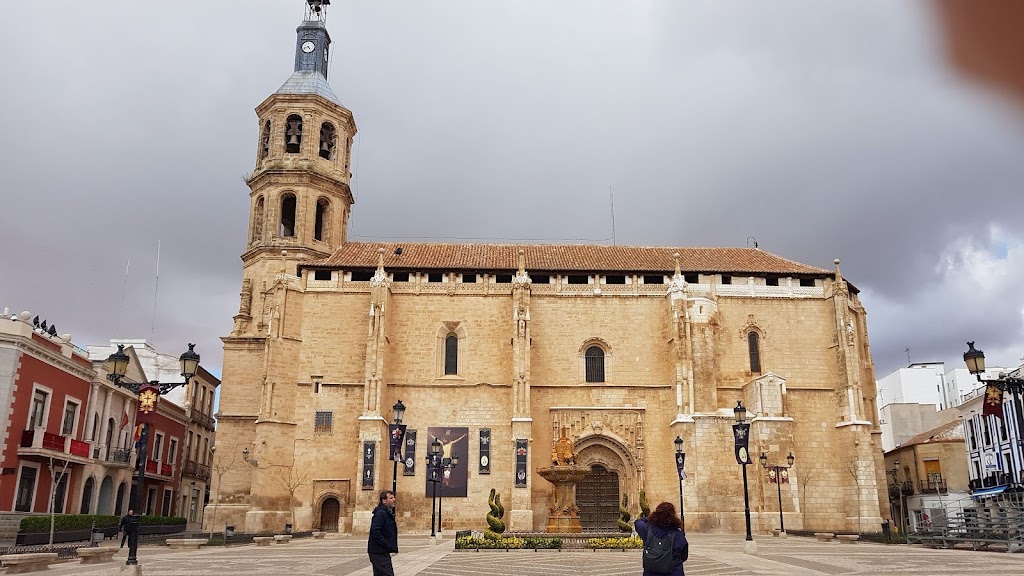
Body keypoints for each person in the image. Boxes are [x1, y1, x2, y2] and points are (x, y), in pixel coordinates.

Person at [634, 502, 689, 576]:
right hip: (673, 572)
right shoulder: (678, 535)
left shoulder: (647, 530)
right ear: (673, 516)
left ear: (657, 514)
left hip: (651, 572)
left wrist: (651, 518)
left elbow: (638, 522)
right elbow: (684, 556)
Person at [367, 490, 398, 576]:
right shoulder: (381, 513)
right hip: (379, 552)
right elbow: (375, 530)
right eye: (391, 498)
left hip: (380, 551)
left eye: (393, 497)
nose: (394, 499)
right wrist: (386, 544)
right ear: (384, 501)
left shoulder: (385, 512)